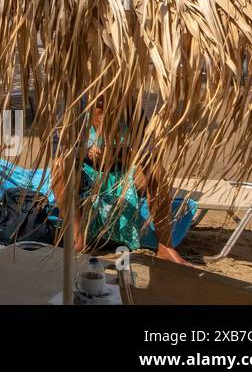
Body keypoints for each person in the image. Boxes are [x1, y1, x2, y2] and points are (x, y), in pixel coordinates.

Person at [51, 100, 186, 265]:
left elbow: (149, 152)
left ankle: (165, 246)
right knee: (59, 166)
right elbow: (58, 150)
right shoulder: (75, 106)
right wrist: (87, 153)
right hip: (88, 175)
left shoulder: (130, 109)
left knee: (156, 170)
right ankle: (77, 241)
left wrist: (120, 154)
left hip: (124, 175)